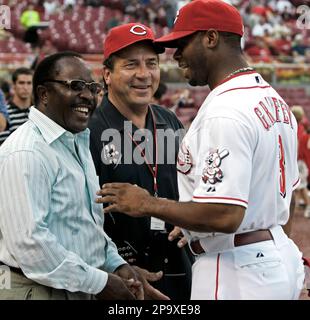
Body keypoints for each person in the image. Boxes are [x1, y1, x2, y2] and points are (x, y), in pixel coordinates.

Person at [97, 0, 305, 300]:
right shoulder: (272, 99)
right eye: (131, 64)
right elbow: (292, 197)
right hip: (272, 255)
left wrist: (148, 204)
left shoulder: (224, 110)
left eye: (182, 43)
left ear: (211, 38)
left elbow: (224, 214)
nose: (176, 54)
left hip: (237, 268)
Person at [0, 51, 166, 300]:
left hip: (78, 284)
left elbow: (86, 224)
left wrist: (116, 265)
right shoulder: (26, 151)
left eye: (92, 87)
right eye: (76, 86)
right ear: (44, 94)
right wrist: (101, 282)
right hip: (36, 288)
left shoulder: (77, 141)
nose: (88, 96)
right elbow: (30, 245)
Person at [88, 23, 192, 300]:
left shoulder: (168, 120)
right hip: (121, 278)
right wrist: (117, 267)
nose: (144, 74)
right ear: (107, 75)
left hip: (178, 266)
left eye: (152, 63)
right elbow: (80, 215)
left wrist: (189, 217)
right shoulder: (89, 131)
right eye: (131, 64)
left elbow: (189, 181)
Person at [0, 68, 33, 145]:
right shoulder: (6, 114)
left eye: (29, 83)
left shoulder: (39, 111)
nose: (25, 87)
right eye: (21, 83)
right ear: (13, 85)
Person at [291, 105, 310, 219]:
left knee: (301, 186)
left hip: (300, 161)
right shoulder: (301, 127)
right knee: (297, 186)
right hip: (301, 161)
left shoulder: (296, 128)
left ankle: (308, 205)